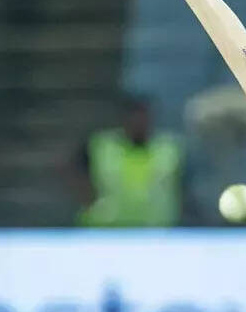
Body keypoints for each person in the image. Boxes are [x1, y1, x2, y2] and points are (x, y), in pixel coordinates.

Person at [72, 94, 188, 227]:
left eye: (142, 117)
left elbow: (185, 186)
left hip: (158, 231)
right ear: (123, 119)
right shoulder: (101, 146)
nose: (138, 122)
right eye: (133, 117)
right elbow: (74, 172)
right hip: (105, 231)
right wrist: (90, 202)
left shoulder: (169, 148)